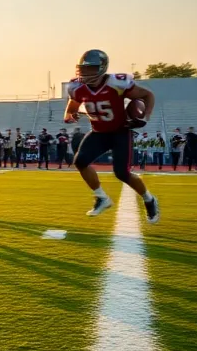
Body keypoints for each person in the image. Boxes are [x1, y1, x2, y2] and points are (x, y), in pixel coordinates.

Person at [64, 49, 159, 222]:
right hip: (99, 132)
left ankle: (149, 199)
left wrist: (146, 117)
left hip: (119, 132)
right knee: (80, 161)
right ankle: (102, 198)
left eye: (90, 68)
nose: (85, 72)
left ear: (101, 68)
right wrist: (71, 115)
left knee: (122, 173)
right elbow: (71, 109)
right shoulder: (77, 87)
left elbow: (147, 95)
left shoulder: (117, 83)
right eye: (83, 68)